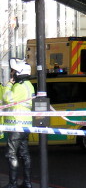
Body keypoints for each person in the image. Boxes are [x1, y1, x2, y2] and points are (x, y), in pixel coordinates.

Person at [3, 59, 35, 188]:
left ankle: (13, 184)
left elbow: (7, 98)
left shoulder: (19, 86)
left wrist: (8, 85)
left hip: (16, 124)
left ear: (19, 72)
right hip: (25, 125)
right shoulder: (29, 85)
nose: (12, 74)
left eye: (14, 71)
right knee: (24, 154)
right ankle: (27, 183)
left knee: (11, 154)